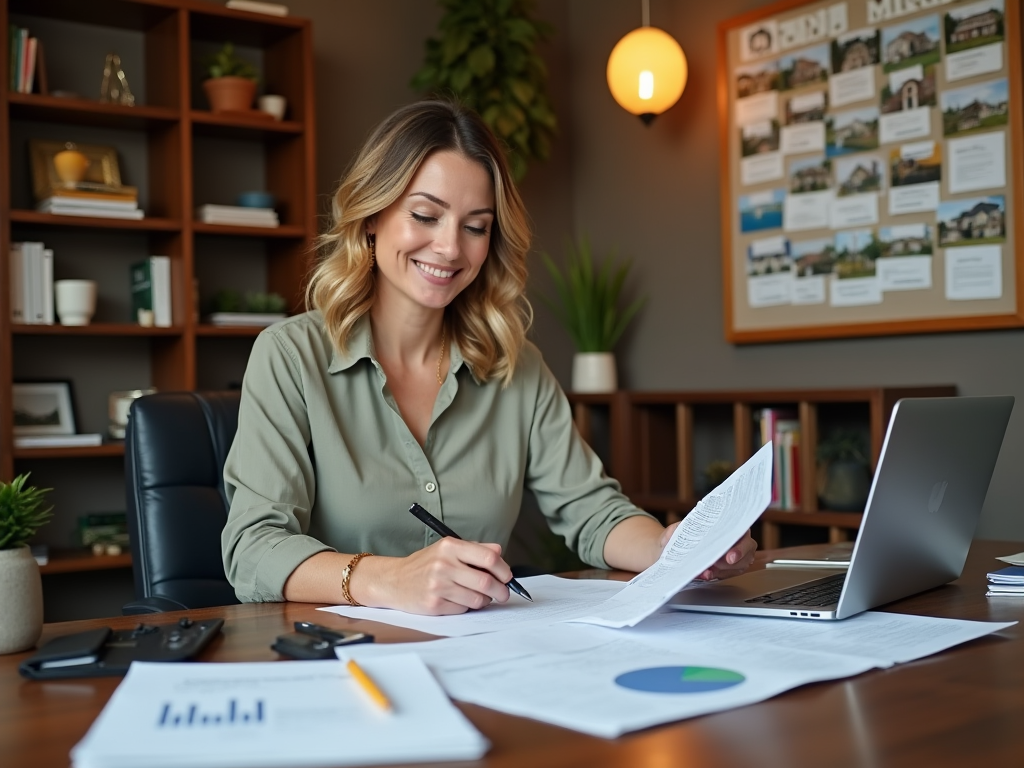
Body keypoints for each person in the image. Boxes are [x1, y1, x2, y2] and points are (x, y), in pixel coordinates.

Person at [221, 99, 756, 615]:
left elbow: (594, 512)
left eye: (475, 226)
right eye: (426, 216)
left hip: (480, 655)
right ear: (371, 217)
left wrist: (679, 550)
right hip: (339, 659)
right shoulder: (291, 356)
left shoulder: (516, 367)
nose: (451, 248)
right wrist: (387, 579)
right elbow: (254, 548)